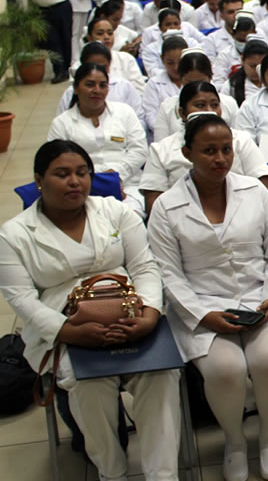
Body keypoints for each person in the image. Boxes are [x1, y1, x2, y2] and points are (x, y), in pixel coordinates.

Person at [0, 140, 181, 480]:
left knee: (161, 374)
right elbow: (22, 299)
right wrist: (72, 333)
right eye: (62, 174)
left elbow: (145, 267)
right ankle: (111, 471)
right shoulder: (14, 235)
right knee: (89, 383)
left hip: (132, 314)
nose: (74, 181)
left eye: (82, 173)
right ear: (39, 180)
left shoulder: (116, 212)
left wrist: (149, 317)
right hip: (65, 327)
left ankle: (163, 474)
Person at [146, 114, 268, 481]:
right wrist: (203, 314)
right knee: (226, 369)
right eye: (209, 151)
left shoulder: (255, 192)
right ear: (187, 153)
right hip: (203, 307)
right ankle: (234, 441)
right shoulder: (167, 208)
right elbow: (168, 273)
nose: (220, 159)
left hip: (261, 300)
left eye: (226, 150)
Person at [140, 81, 268, 215]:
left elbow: (262, 184)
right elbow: (153, 204)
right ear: (182, 113)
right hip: (182, 219)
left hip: (242, 214)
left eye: (215, 105)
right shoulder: (161, 150)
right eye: (200, 105)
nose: (209, 111)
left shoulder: (241, 140)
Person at [49, 64, 147, 205]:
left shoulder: (125, 112)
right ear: (76, 88)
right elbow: (56, 163)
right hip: (81, 190)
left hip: (128, 184)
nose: (97, 90)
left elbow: (139, 150)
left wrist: (115, 177)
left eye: (103, 85)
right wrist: (98, 184)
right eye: (90, 85)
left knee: (129, 216)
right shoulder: (61, 123)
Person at [224, 39, 268, 106]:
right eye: (252, 66)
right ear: (242, 61)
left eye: (260, 66)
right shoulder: (231, 86)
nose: (256, 70)